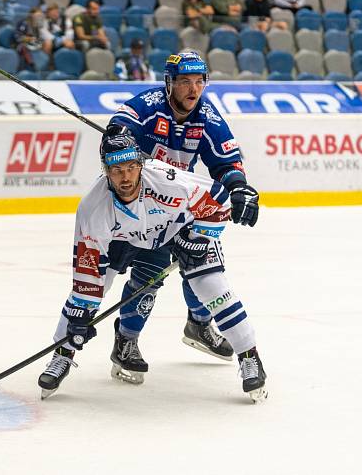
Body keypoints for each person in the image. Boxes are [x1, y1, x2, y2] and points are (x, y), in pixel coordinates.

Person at [45, 50, 261, 391]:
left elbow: (227, 167)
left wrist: (240, 189)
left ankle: (202, 325)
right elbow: (118, 128)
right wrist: (120, 143)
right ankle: (78, 349)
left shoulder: (207, 118)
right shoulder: (146, 107)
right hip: (129, 203)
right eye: (184, 82)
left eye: (198, 82)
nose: (192, 90)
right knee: (118, 282)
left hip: (172, 201)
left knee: (199, 266)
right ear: (169, 84)